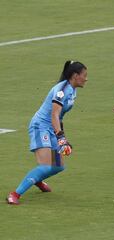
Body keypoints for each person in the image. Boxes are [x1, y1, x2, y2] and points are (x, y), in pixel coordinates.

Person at [6, 61, 88, 205]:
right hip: (40, 127)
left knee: (58, 165)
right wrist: (61, 138)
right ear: (75, 76)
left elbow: (60, 117)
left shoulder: (72, 90)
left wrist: (63, 137)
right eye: (84, 75)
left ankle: (37, 179)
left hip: (52, 128)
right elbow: (54, 115)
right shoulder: (61, 91)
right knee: (45, 165)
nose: (86, 79)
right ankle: (15, 194)